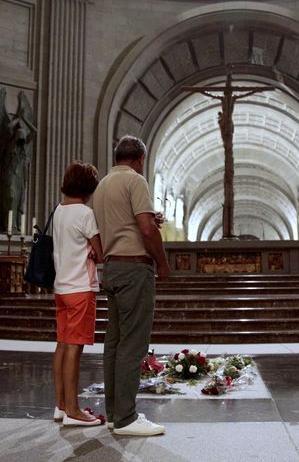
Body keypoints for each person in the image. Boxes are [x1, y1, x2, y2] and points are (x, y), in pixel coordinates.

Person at [92, 135, 170, 437]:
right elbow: (146, 229)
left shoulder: (101, 187)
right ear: (139, 159)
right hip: (135, 268)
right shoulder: (136, 181)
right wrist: (162, 263)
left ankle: (113, 414)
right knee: (133, 344)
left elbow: (121, 223)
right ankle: (126, 418)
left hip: (112, 267)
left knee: (113, 344)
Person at [51, 161, 103, 427]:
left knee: (62, 344)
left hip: (61, 288)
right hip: (80, 288)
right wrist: (96, 251)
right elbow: (101, 251)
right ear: (89, 186)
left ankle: (60, 405)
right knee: (75, 347)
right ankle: (73, 410)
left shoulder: (58, 210)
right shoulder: (85, 213)